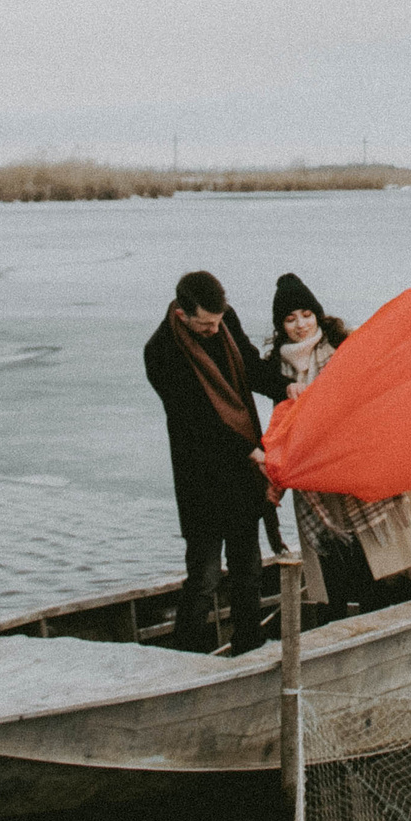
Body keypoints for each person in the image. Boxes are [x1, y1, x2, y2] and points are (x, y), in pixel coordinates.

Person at [260, 272, 411, 621]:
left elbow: (375, 389)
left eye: (306, 314)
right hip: (313, 475)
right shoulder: (276, 369)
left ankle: (375, 617)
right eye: (290, 319)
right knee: (330, 550)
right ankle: (336, 623)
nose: (300, 325)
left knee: (372, 551)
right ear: (280, 325)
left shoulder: (342, 347)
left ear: (317, 314)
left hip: (352, 465)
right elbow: (281, 424)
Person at [142, 270, 287, 654]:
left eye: (218, 322)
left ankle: (249, 644)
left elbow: (251, 367)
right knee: (204, 576)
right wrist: (249, 450)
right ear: (182, 316)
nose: (213, 330)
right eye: (205, 324)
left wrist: (284, 386)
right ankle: (185, 658)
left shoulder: (225, 322)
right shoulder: (160, 351)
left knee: (249, 570)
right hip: (200, 476)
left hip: (240, 474)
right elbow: (194, 421)